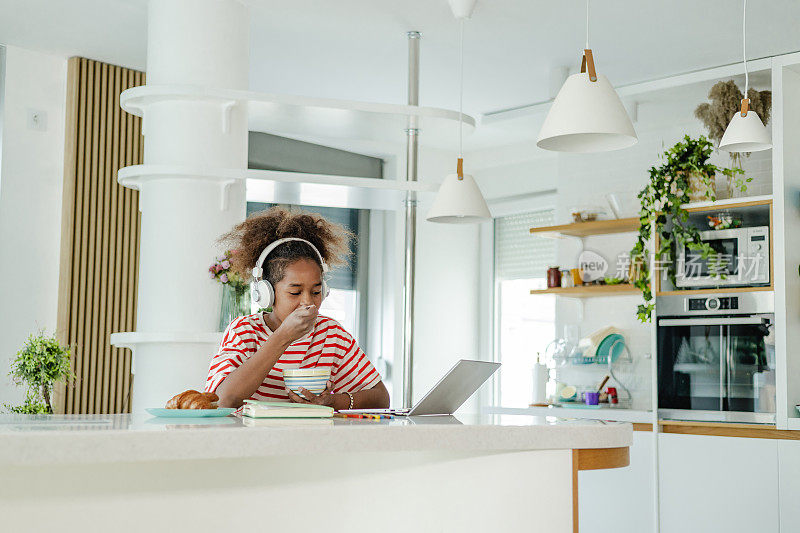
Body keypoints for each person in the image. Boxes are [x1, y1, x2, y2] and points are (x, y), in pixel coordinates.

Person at [205, 206, 390, 410]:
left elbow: (381, 397)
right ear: (267, 293)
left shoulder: (331, 334)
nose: (308, 302)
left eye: (316, 291)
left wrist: (333, 402)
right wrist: (283, 337)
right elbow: (222, 401)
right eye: (295, 292)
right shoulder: (244, 332)